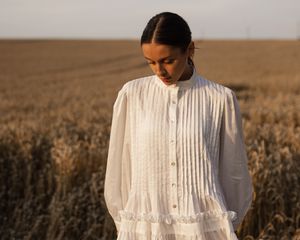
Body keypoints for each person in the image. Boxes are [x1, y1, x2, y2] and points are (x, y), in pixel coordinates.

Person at [104, 12, 253, 240]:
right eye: (151, 62)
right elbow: (120, 165)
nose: (159, 70)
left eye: (168, 60)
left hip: (204, 229)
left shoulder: (220, 99)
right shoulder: (131, 95)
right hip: (145, 227)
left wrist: (226, 224)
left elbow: (234, 171)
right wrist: (126, 223)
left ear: (190, 50)